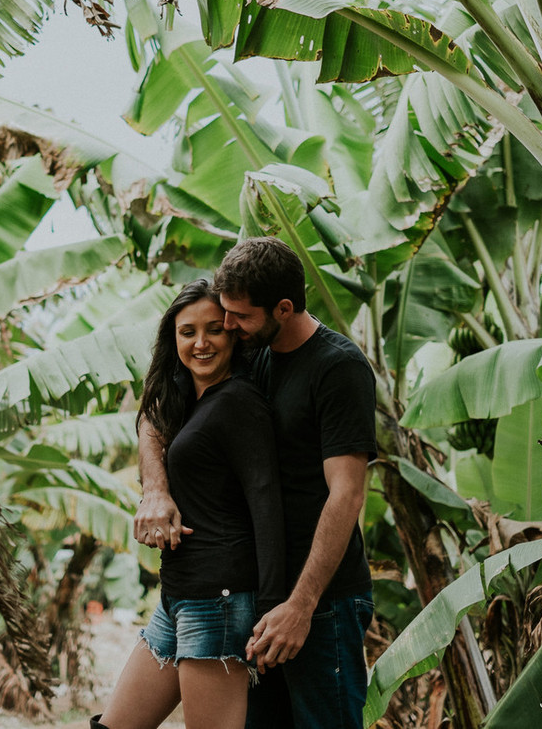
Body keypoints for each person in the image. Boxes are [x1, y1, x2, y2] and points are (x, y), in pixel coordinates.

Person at [135, 237, 376, 729]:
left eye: (239, 317)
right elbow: (156, 414)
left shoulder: (337, 367)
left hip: (321, 598)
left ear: (283, 309)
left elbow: (347, 493)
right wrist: (155, 489)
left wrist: (300, 606)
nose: (227, 326)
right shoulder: (255, 353)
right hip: (263, 596)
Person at [92, 279, 285, 729]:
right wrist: (154, 491)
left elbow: (266, 504)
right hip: (179, 596)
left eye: (214, 330)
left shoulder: (239, 402)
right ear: (172, 337)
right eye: (187, 332)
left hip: (217, 599)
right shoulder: (188, 399)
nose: (200, 343)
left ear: (234, 335)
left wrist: (274, 605)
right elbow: (149, 420)